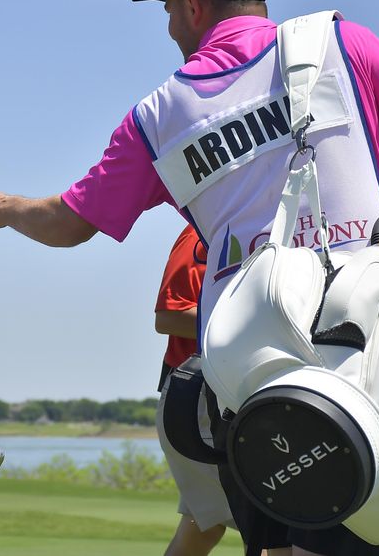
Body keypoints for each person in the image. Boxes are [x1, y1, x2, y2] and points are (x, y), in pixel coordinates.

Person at [0, 0, 379, 556]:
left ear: (192, 5)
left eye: (168, 10)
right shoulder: (345, 42)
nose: (170, 27)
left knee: (277, 542)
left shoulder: (157, 115)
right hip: (371, 346)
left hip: (247, 369)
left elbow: (70, 222)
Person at [154, 224, 235, 556]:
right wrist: (252, 327)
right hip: (200, 397)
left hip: (238, 395)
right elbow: (169, 316)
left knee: (201, 530)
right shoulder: (204, 232)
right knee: (268, 528)